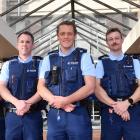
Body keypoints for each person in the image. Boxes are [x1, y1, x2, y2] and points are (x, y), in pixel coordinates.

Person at [37, 20, 96, 140]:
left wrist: (65, 101)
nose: (66, 36)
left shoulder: (84, 57)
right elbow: (40, 87)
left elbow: (90, 87)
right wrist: (55, 101)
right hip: (55, 114)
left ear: (75, 35)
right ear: (57, 36)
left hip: (78, 113)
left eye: (69, 33)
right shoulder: (48, 59)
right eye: (62, 33)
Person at [95, 27, 140, 140]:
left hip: (133, 111)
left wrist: (127, 103)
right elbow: (96, 88)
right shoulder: (101, 63)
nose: (114, 41)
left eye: (116, 38)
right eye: (110, 39)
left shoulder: (134, 62)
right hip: (110, 111)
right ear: (107, 42)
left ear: (122, 39)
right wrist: (117, 106)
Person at [0, 31, 43, 140]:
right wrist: (17, 103)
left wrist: (27, 104)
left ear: (33, 45)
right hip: (12, 116)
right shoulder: (8, 65)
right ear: (17, 44)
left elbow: (43, 89)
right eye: (22, 42)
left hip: (33, 116)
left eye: (28, 42)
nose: (24, 44)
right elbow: (1, 87)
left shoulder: (40, 64)